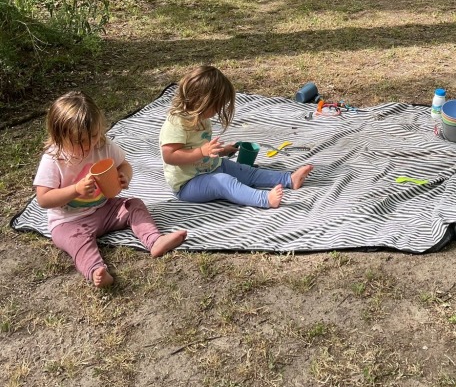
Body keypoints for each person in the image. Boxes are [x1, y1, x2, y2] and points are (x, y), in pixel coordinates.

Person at [34, 92, 187, 288]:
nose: (89, 144)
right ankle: (96, 269)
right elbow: (43, 199)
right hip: (69, 222)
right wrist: (75, 190)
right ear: (59, 137)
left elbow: (124, 164)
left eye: (94, 135)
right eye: (79, 141)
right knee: (78, 243)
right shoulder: (54, 159)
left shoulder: (102, 146)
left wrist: (124, 176)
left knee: (134, 204)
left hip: (105, 209)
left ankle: (154, 240)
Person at [160, 65, 313, 208]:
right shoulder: (176, 123)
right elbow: (169, 156)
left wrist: (222, 151)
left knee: (246, 171)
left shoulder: (201, 118)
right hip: (188, 184)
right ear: (202, 101)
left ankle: (288, 180)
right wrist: (201, 152)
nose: (218, 111)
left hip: (211, 167)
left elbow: (203, 149)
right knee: (223, 182)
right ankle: (265, 199)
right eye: (217, 106)